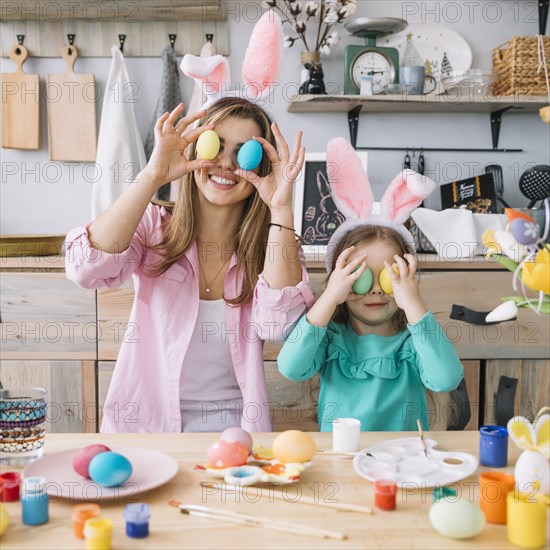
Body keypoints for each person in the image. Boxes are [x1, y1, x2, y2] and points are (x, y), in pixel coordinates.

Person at [65, 97, 314, 433]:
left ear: (261, 167)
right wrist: (153, 175)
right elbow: (86, 268)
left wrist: (282, 208)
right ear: (196, 150)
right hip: (146, 428)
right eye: (216, 146)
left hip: (236, 434)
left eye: (243, 153)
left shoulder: (272, 245)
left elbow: (278, 326)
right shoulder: (154, 226)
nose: (226, 163)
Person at [277, 138, 464, 431]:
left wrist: (414, 305)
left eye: (389, 277)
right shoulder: (332, 339)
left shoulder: (411, 343)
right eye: (362, 275)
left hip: (404, 467)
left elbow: (446, 378)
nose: (376, 289)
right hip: (344, 467)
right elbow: (291, 367)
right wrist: (328, 298)